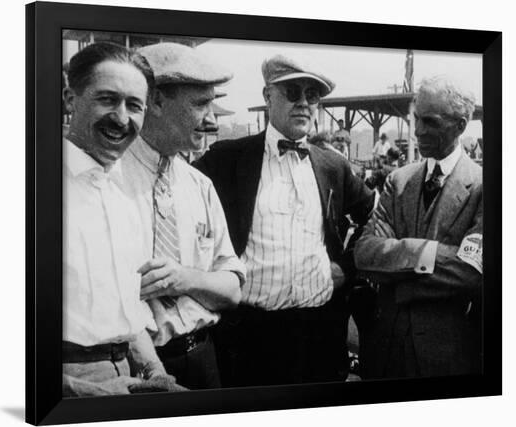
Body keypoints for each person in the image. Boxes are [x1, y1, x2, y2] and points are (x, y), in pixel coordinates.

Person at [195, 54, 374, 387]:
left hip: (321, 332)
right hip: (251, 336)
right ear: (267, 97)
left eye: (313, 95)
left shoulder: (332, 166)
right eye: (293, 92)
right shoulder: (228, 158)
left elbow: (376, 215)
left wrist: (347, 266)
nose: (304, 103)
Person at [121, 42, 246, 390]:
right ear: (156, 101)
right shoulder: (109, 179)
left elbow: (233, 288)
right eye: (200, 104)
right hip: (137, 370)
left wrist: (185, 279)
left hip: (204, 359)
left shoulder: (199, 185)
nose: (211, 118)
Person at [62, 42, 183, 396]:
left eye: (134, 105)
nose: (121, 117)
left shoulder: (126, 194)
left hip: (129, 374)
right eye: (106, 99)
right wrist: (75, 388)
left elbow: (126, 313)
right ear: (71, 100)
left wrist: (157, 374)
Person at [353, 76, 482, 379]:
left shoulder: (485, 187)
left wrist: (396, 269)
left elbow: (472, 272)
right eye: (415, 119)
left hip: (448, 356)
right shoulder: (399, 181)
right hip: (383, 350)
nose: (418, 130)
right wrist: (427, 255)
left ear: (461, 125)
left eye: (430, 121)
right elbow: (365, 252)